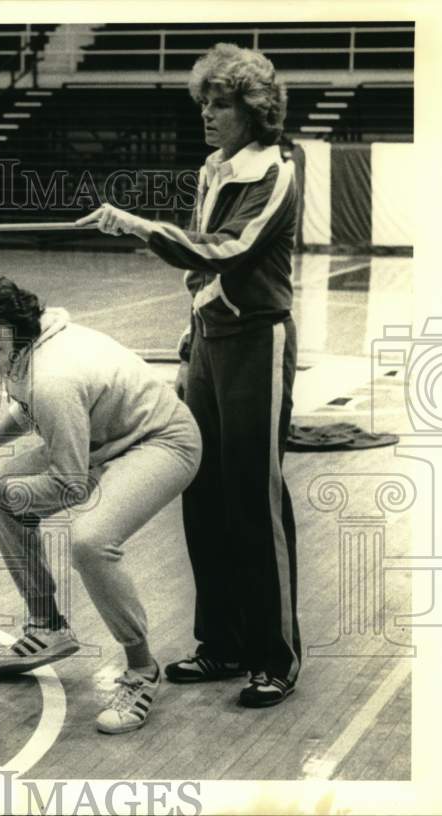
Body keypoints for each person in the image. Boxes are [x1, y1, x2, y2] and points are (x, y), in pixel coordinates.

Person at [77, 43, 301, 708]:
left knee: (254, 502)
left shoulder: (276, 168)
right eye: (203, 101)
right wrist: (191, 328)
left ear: (254, 108)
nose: (207, 113)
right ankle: (224, 643)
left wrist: (136, 226)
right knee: (201, 491)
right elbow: (203, 270)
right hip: (207, 342)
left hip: (257, 344)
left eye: (221, 102)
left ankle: (275, 655)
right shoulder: (215, 167)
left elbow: (229, 251)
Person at [0, 277, 202, 734]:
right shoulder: (28, 346)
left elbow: (70, 485)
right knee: (4, 493)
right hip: (105, 438)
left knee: (90, 541)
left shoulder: (54, 374)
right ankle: (48, 625)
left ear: (14, 319)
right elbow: (27, 409)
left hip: (161, 442)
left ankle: (140, 670)